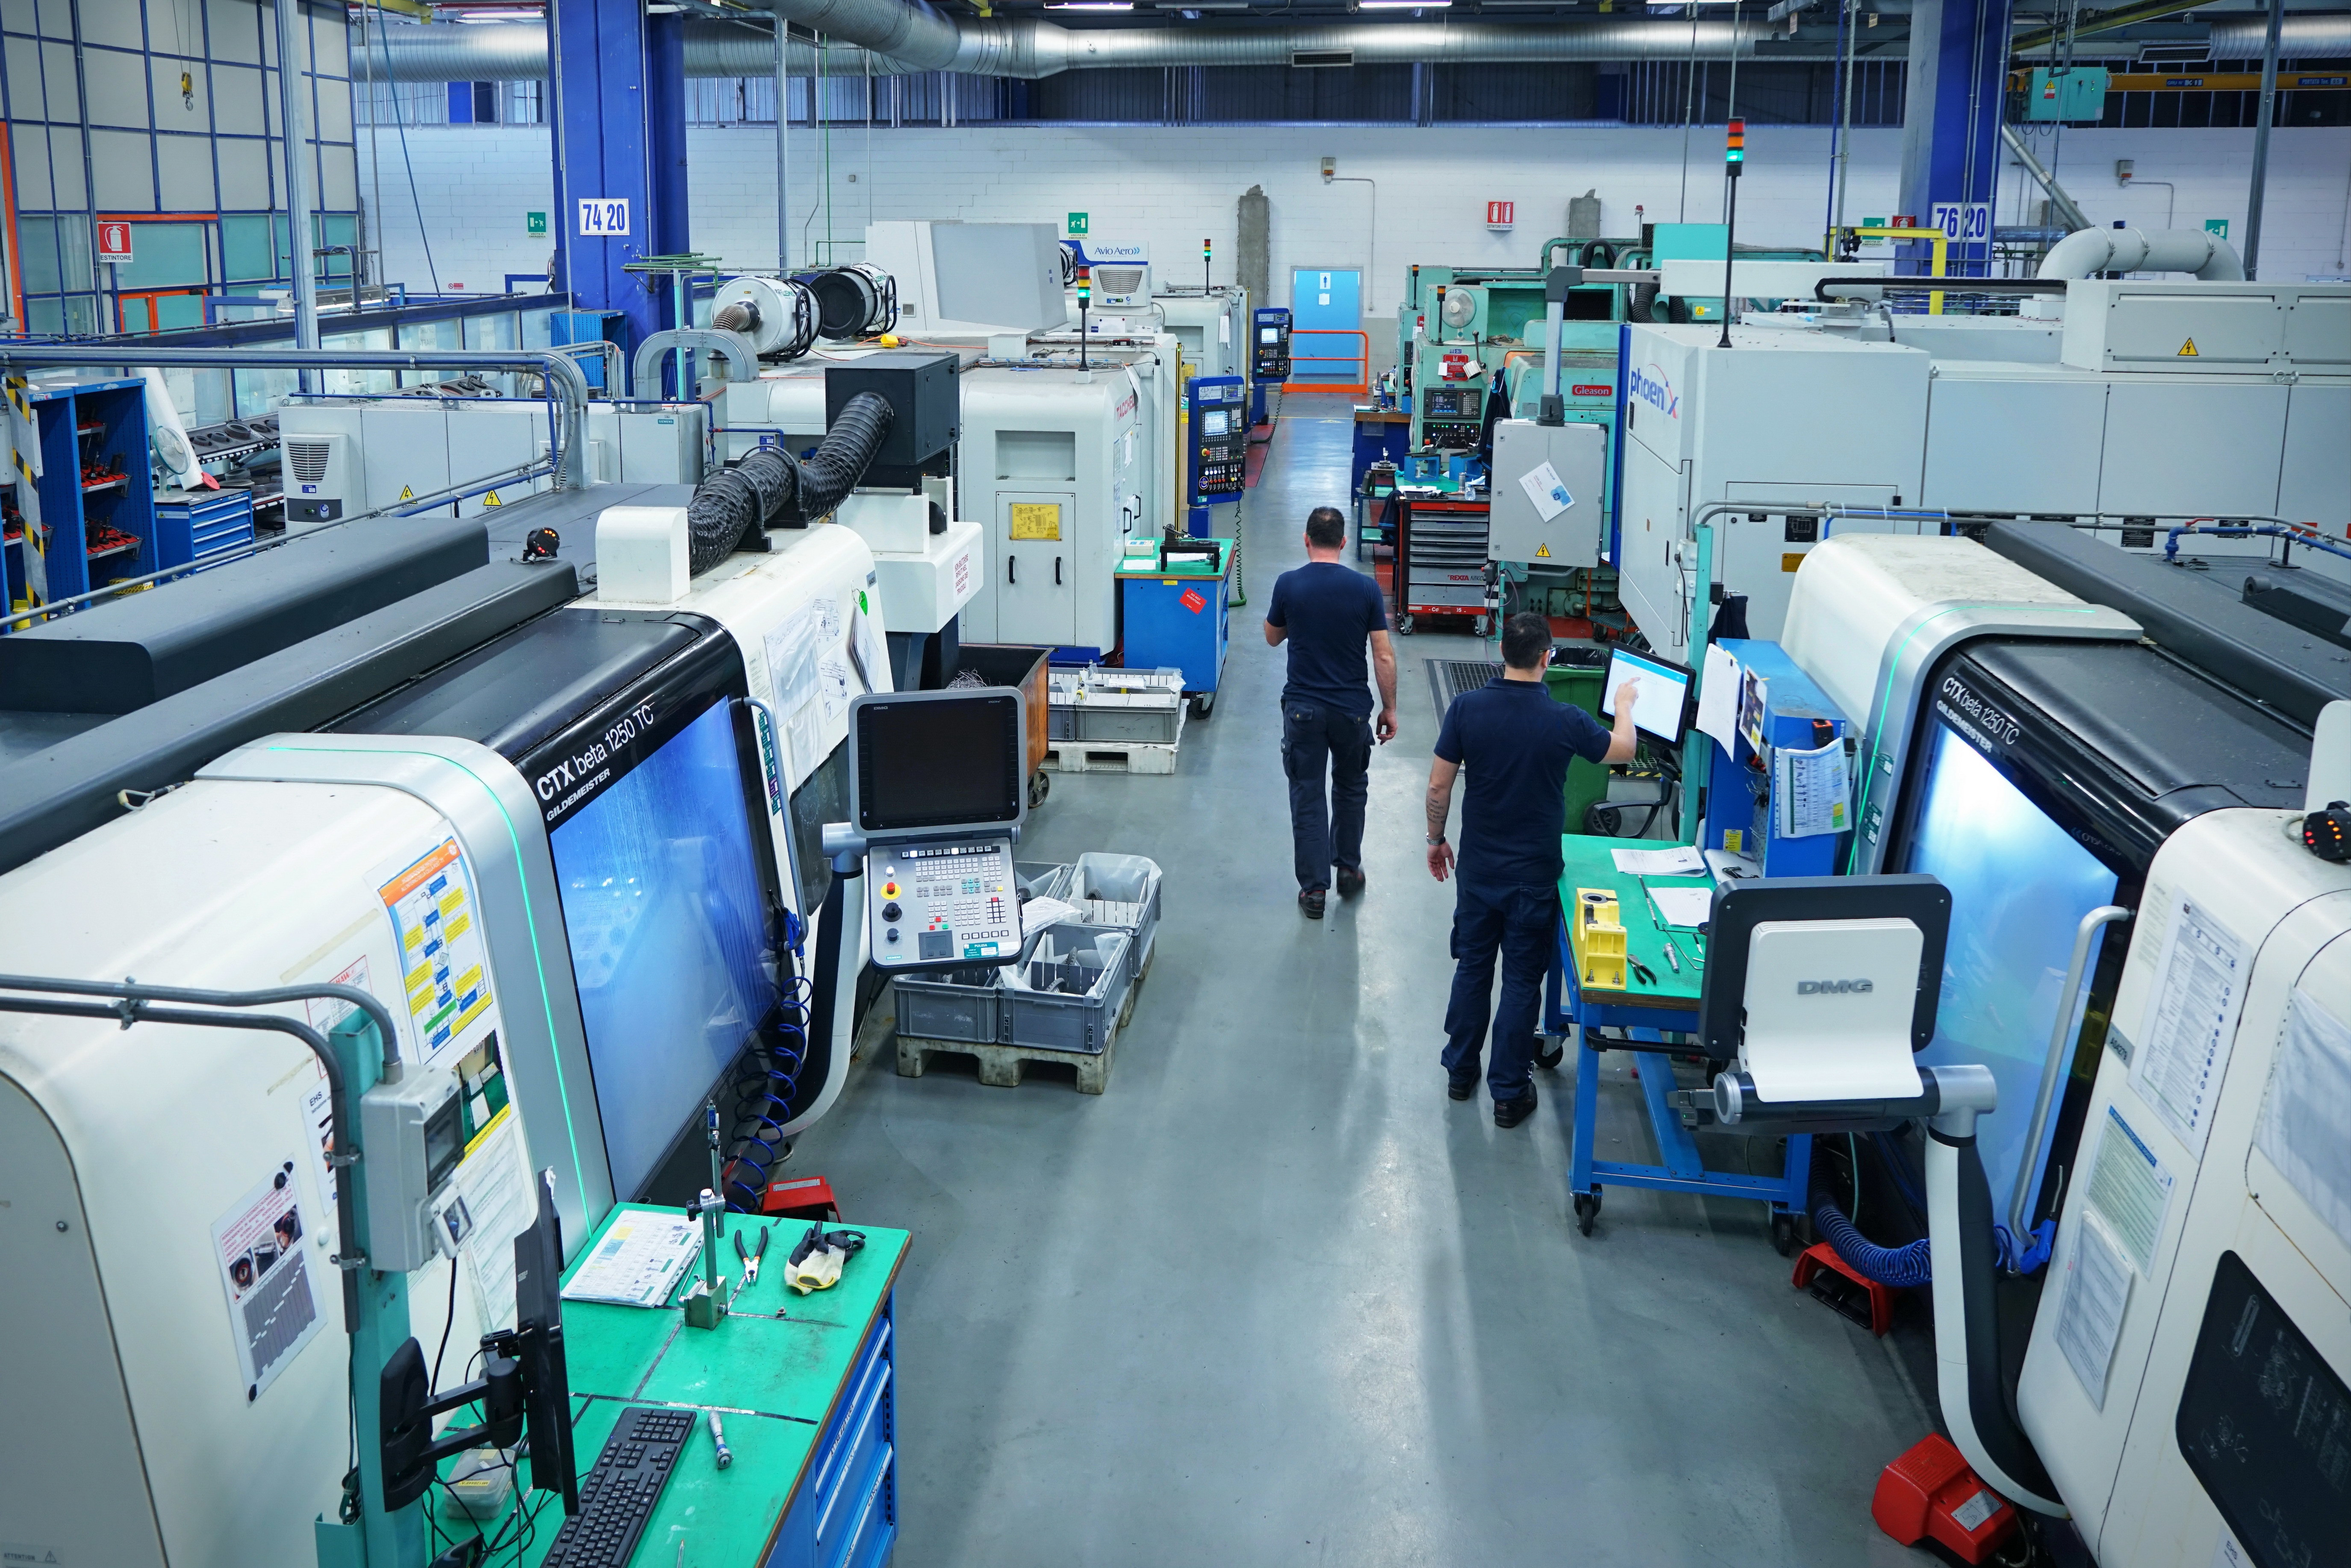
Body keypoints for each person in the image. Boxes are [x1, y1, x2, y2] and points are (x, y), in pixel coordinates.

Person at [1426, 613, 1638, 1126]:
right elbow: (1624, 751)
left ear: (1502, 651)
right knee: (1523, 980)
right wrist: (1626, 706)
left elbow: (1438, 787)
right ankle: (1508, 1094)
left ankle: (1459, 1073)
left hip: (1477, 870)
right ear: (1548, 657)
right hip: (1533, 876)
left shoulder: (1466, 708)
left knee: (1473, 966)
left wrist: (1435, 840)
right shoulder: (1564, 720)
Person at [1265, 506, 1399, 918]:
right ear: (1343, 542)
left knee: (1307, 793)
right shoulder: (1365, 590)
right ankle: (1348, 869)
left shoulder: (1289, 584)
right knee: (1350, 786)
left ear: (1306, 539)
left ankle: (1313, 892)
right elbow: (1383, 655)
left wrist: (1298, 617)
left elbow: (1273, 638)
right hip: (1352, 712)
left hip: (1303, 710)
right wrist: (1390, 708)